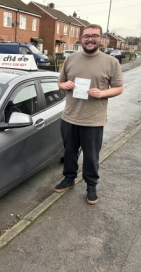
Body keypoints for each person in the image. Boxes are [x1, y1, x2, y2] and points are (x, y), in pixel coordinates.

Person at [54, 24, 123, 205]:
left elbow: (119, 88)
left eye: (94, 36)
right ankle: (69, 179)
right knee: (69, 152)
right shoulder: (71, 59)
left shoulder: (111, 62)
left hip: (93, 120)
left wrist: (102, 93)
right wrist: (64, 85)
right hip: (69, 117)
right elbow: (60, 81)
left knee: (91, 156)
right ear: (81, 38)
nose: (90, 39)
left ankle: (91, 185)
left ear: (101, 39)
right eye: (86, 36)